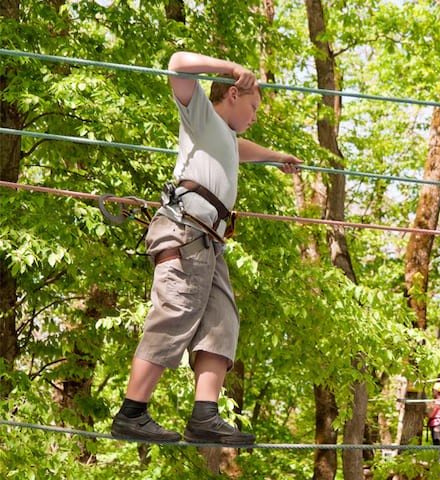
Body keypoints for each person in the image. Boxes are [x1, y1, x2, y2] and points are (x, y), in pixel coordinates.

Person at [110, 51, 302, 445]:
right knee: (176, 311)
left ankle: (205, 415)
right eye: (253, 106)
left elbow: (238, 147)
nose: (255, 115)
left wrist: (276, 157)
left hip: (209, 244)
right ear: (233, 94)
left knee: (221, 321)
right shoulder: (200, 116)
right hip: (184, 233)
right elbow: (178, 62)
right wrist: (231, 67)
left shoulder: (222, 137)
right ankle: (132, 412)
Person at [425, 381, 440, 462]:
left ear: (437, 391)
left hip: (436, 424)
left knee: (437, 443)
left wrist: (426, 413)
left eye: (433, 391)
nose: (432, 392)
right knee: (439, 442)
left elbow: (431, 414)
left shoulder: (437, 402)